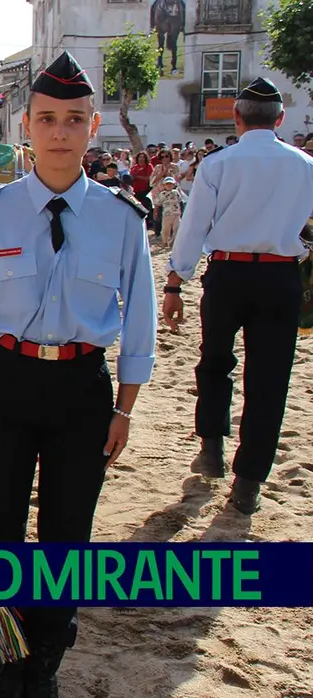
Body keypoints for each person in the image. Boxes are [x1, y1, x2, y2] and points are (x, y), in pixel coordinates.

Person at [0, 51, 156, 696]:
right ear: (28, 127)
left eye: (74, 119)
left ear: (92, 126)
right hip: (7, 384)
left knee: (69, 529)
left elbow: (141, 322)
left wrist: (124, 409)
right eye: (47, 118)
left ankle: (45, 658)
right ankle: (5, 660)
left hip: (81, 389)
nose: (60, 132)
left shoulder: (121, 218)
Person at [163, 77, 313, 515]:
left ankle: (211, 446)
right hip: (281, 278)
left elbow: (193, 230)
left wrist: (176, 282)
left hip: (227, 274)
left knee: (214, 361)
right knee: (270, 380)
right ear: (280, 119)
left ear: (237, 116)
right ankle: (249, 482)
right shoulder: (305, 165)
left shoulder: (219, 164)